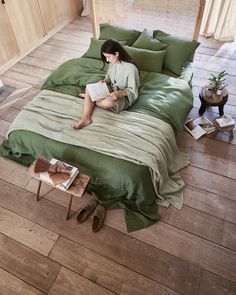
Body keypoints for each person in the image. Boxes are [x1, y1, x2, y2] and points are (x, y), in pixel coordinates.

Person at [73, 39, 140, 129]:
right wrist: (105, 81)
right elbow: (108, 77)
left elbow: (133, 90)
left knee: (107, 103)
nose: (107, 60)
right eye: (105, 57)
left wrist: (118, 93)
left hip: (124, 96)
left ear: (116, 54)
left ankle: (89, 98)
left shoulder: (131, 68)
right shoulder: (112, 63)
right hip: (112, 91)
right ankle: (86, 118)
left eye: (108, 57)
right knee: (89, 87)